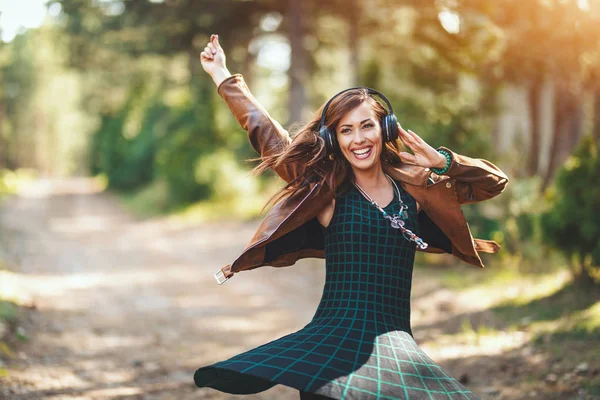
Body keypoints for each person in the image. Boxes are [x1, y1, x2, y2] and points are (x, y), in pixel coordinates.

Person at [193, 34, 508, 400]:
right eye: (346, 130)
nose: (358, 139)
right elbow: (269, 136)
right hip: (331, 344)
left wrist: (443, 162)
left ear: (385, 129)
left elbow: (493, 183)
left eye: (366, 126)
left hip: (394, 347)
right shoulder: (326, 191)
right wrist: (222, 76)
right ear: (334, 139)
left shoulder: (418, 190)